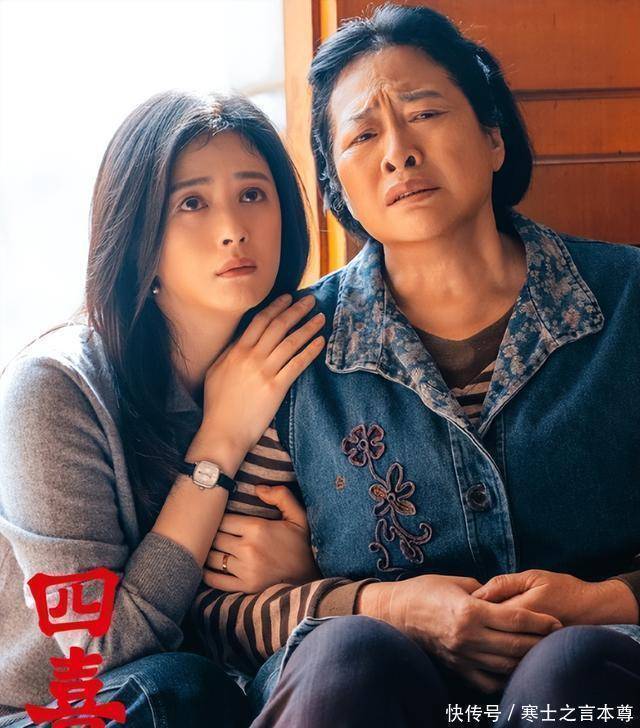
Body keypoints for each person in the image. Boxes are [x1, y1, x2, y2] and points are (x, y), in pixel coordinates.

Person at [194, 5, 640, 726]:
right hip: (377, 696)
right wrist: (383, 607)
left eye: (425, 114)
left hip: (596, 689)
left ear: (493, 137)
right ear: (337, 187)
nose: (398, 152)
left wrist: (604, 602)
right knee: (348, 658)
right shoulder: (290, 348)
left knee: (574, 667)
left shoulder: (629, 302)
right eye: (363, 135)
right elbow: (223, 611)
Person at [0, 90, 326, 726]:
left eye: (253, 194)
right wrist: (221, 439)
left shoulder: (300, 353)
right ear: (139, 234)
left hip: (224, 688)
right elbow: (100, 650)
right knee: (181, 689)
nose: (233, 228)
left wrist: (305, 569)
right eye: (192, 203)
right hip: (54, 709)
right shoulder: (55, 388)